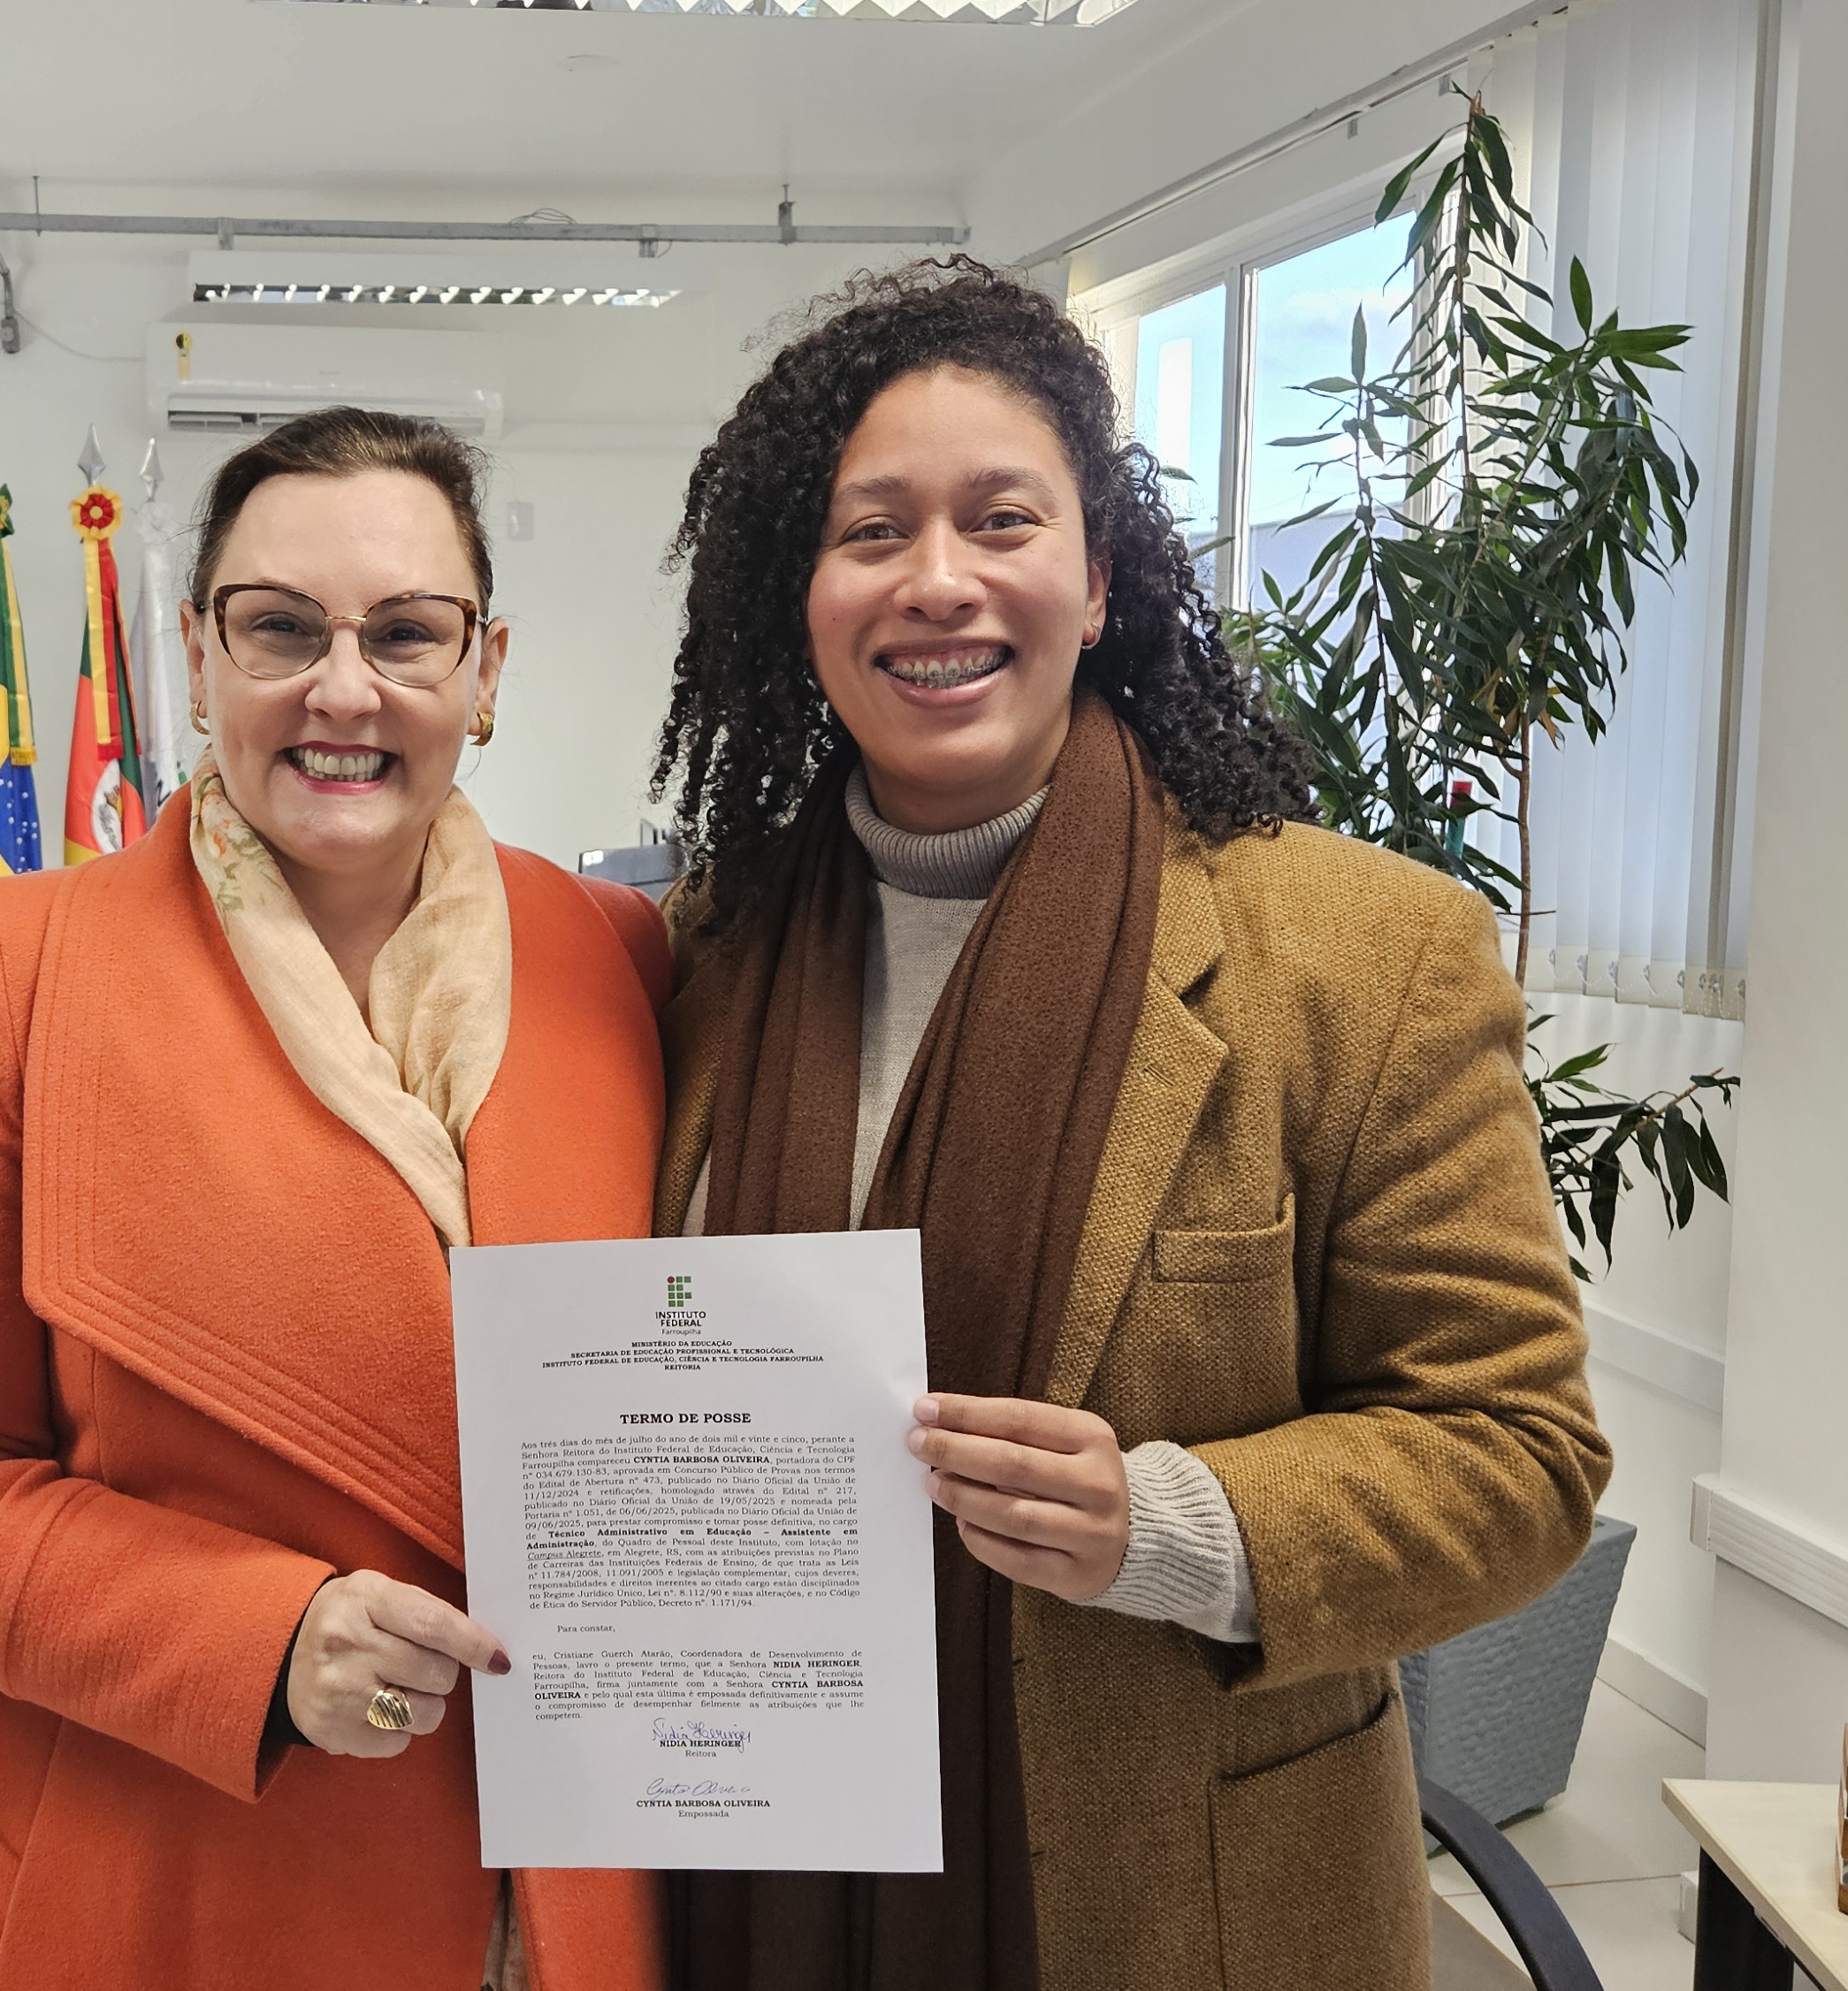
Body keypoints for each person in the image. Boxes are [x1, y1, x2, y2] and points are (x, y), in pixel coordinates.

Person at [647, 257, 1611, 1989]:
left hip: (1177, 1906)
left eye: (999, 519)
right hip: (754, 1862)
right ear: (801, 598)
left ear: (1096, 581)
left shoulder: (1360, 954)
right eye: (870, 531)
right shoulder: (699, 957)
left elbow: (1517, 1454)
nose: (937, 579)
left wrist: (1172, 1526)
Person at [0, 407, 672, 1991]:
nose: (344, 689)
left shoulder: (613, 954)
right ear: (198, 657)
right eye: (280, 629)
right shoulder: (17, 972)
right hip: (179, 1861)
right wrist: (252, 1640)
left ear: (485, 674)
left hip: (556, 1872)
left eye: (407, 634)